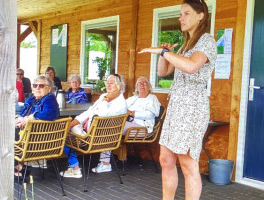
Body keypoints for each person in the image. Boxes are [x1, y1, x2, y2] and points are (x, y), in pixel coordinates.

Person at [139, 0, 217, 199]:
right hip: (176, 108)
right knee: (165, 158)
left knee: (187, 162)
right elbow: (163, 72)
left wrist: (164, 52)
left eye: (186, 13)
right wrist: (164, 55)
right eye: (180, 14)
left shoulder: (206, 41)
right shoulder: (185, 45)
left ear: (201, 16)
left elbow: (191, 66)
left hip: (192, 108)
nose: (180, 18)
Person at [60, 74, 127, 178]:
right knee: (66, 127)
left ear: (120, 86)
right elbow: (88, 112)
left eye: (112, 83)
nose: (108, 85)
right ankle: (105, 164)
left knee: (62, 135)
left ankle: (75, 168)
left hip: (93, 139)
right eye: (107, 83)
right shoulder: (104, 96)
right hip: (96, 135)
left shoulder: (120, 103)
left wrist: (105, 100)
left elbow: (103, 115)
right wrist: (71, 124)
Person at [14, 75, 59, 177]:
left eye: (41, 86)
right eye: (35, 85)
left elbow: (50, 114)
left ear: (49, 88)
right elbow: (23, 114)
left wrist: (31, 117)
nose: (37, 88)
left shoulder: (49, 99)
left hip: (39, 140)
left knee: (7, 136)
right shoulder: (31, 100)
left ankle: (18, 166)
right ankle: (19, 165)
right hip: (29, 136)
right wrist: (18, 119)